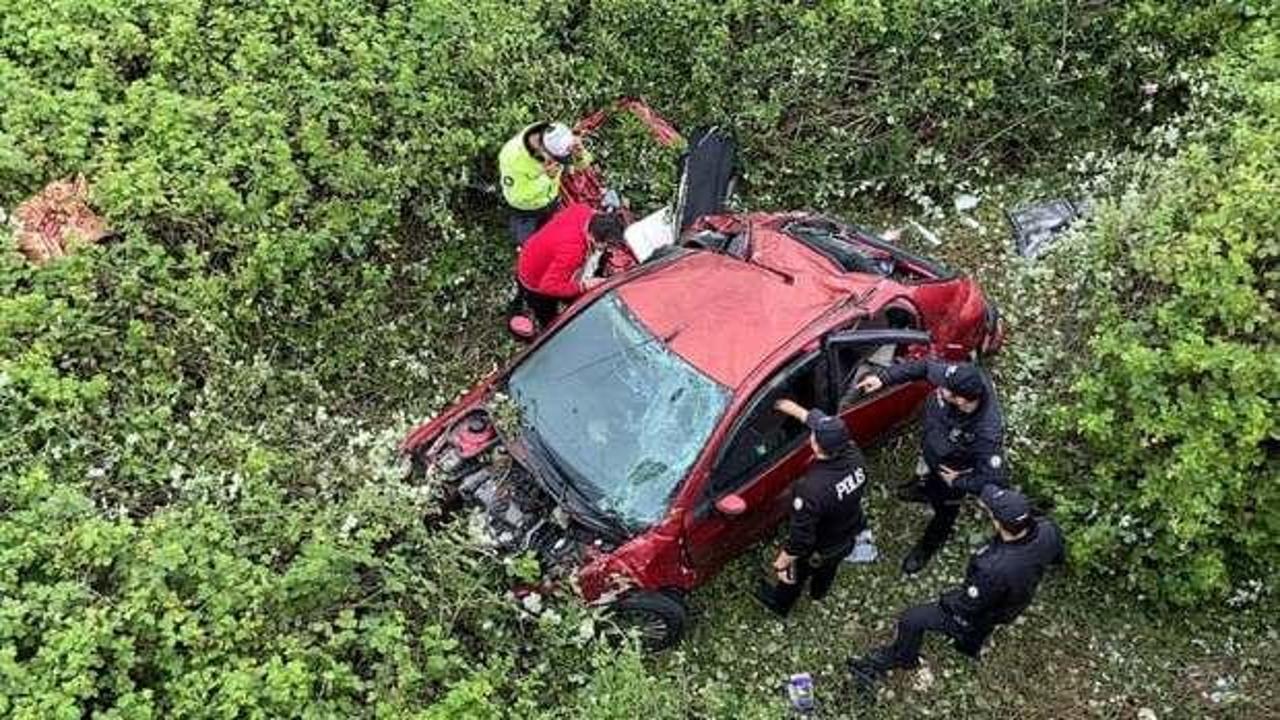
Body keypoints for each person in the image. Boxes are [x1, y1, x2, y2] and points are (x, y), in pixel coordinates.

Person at [848, 486, 1065, 690]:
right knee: (983, 627)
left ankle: (905, 658)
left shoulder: (993, 567)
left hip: (985, 607)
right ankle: (969, 648)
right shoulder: (1048, 530)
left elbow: (967, 607)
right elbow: (1056, 557)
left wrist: (947, 599)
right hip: (1014, 603)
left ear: (998, 522)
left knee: (912, 619)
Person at [855, 360, 1006, 574]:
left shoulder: (986, 432)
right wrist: (884, 378)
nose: (938, 388)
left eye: (945, 389)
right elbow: (924, 368)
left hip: (950, 474)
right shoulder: (964, 377)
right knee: (926, 479)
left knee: (944, 514)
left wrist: (959, 481)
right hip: (931, 451)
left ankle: (926, 548)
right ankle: (922, 490)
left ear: (961, 400)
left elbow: (993, 477)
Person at [755, 399, 869, 617]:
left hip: (819, 545)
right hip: (847, 533)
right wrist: (789, 407)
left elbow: (801, 539)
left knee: (795, 575)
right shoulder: (854, 455)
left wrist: (782, 562)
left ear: (817, 446)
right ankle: (819, 592)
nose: (812, 435)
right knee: (828, 568)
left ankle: (780, 605)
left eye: (814, 435)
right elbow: (818, 422)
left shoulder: (811, 490)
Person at [515, 203, 626, 326]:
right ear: (594, 238)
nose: (609, 250)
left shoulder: (583, 210)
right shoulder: (572, 252)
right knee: (549, 317)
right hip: (534, 280)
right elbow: (547, 286)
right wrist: (583, 286)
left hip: (531, 253)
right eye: (607, 246)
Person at [498, 121, 592, 245]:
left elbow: (582, 165)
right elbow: (518, 196)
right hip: (526, 211)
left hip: (551, 201)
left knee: (553, 234)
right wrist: (548, 178)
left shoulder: (555, 134)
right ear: (543, 150)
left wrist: (580, 156)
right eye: (556, 160)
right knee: (527, 244)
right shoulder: (512, 158)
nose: (558, 164)